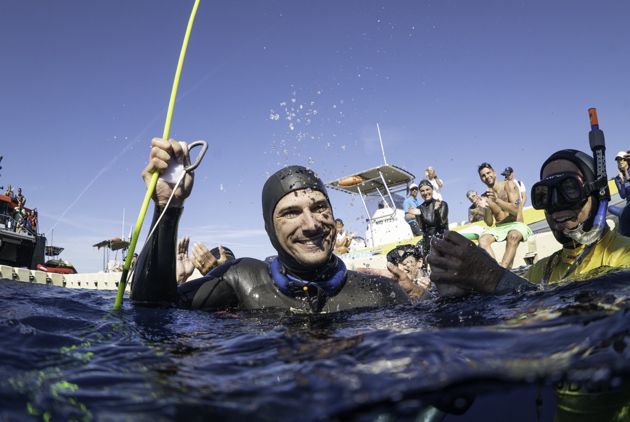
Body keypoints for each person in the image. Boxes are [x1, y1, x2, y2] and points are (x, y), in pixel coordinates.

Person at [131, 138, 413, 313]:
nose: (311, 224)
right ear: (270, 228)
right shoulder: (243, 279)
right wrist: (168, 208)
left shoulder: (380, 292)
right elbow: (153, 308)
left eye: (319, 207)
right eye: (290, 213)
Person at [428, 149, 630, 297]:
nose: (556, 204)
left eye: (569, 189)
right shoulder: (542, 270)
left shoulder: (623, 254)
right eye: (545, 194)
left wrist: (491, 276)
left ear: (598, 193)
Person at [477, 162, 532, 269]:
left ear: (494, 173)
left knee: (513, 236)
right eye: (483, 175)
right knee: (482, 240)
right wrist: (486, 209)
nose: (487, 176)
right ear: (481, 179)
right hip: (499, 228)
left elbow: (516, 211)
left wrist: (496, 200)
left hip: (516, 224)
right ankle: (496, 269)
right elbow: (489, 222)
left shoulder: (509, 185)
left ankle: (503, 270)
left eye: (488, 173)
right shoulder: (484, 196)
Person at [416, 179, 448, 262]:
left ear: (432, 189)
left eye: (427, 189)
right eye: (422, 191)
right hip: (428, 242)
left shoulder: (442, 204)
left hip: (443, 239)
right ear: (420, 193)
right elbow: (423, 229)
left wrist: (436, 211)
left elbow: (442, 224)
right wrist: (418, 215)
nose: (425, 193)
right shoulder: (419, 209)